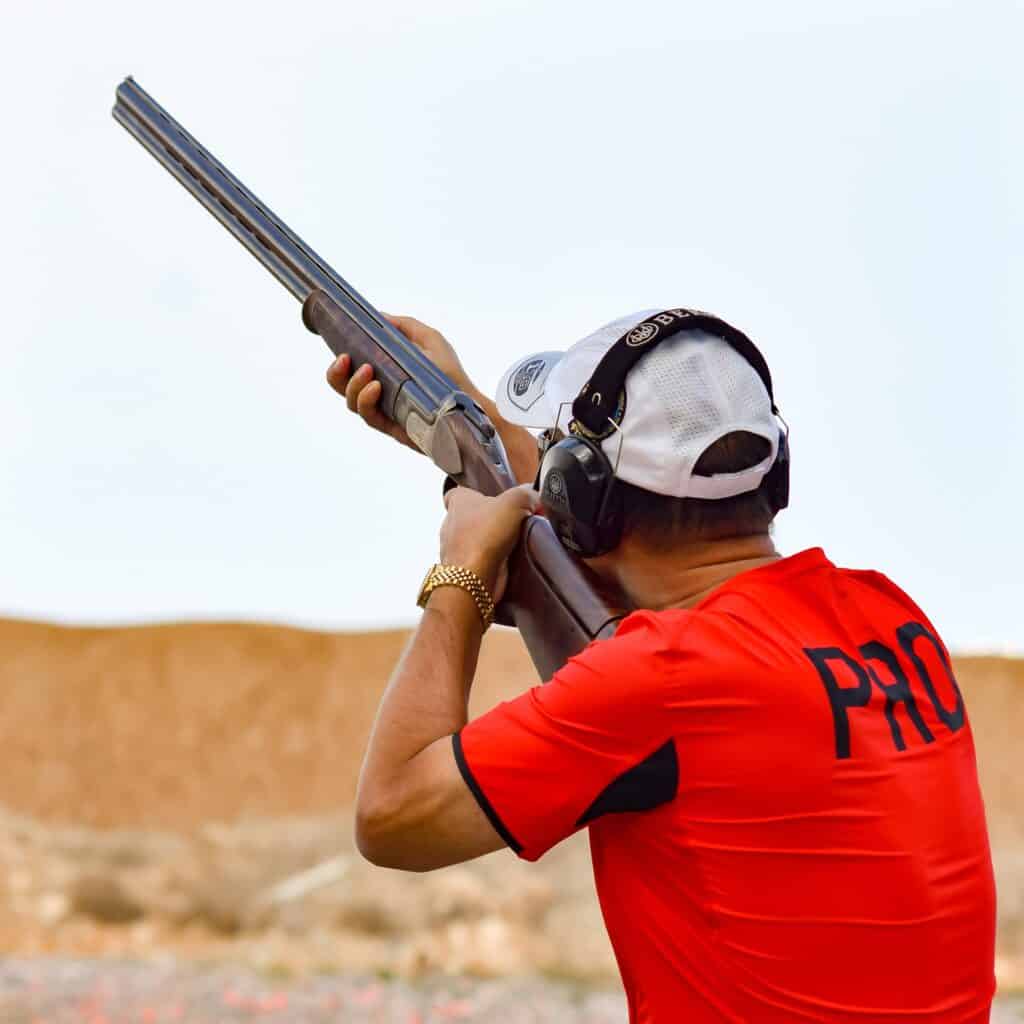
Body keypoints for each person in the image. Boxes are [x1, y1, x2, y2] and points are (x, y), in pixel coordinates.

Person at [325, 309, 996, 1023]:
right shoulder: (888, 616)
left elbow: (393, 815)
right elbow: (622, 560)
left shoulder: (665, 677)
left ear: (580, 495)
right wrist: (463, 416)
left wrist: (461, 575)